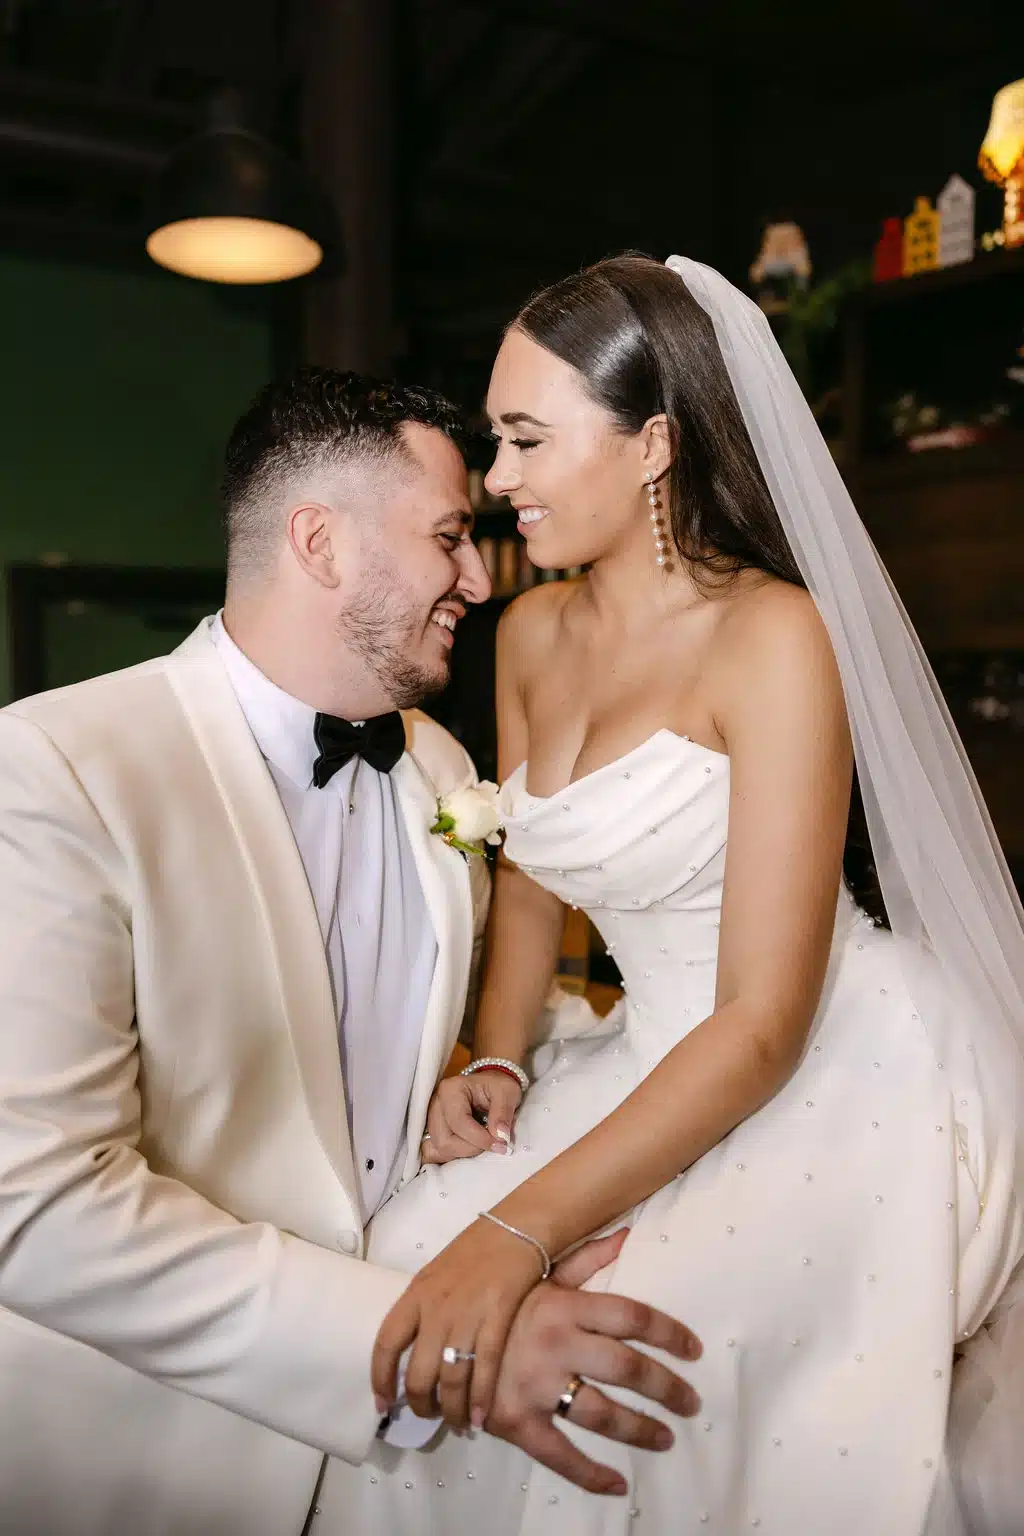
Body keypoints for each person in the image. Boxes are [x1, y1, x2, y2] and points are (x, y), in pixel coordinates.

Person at [323, 258, 1024, 1536]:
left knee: (623, 1377)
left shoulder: (774, 639)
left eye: (529, 440)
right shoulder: (530, 633)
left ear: (653, 443)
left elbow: (760, 1024)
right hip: (638, 1049)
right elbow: (532, 877)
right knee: (397, 1277)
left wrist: (521, 1235)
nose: (498, 480)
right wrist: (498, 1054)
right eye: (497, 442)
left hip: (822, 1065)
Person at [0, 368, 704, 1536]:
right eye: (448, 537)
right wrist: (421, 1344)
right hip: (138, 1467)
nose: (480, 579)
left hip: (394, 1491)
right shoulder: (56, 769)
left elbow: (361, 1061)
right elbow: (31, 1200)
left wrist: (466, 1084)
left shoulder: (433, 767)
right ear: (320, 545)